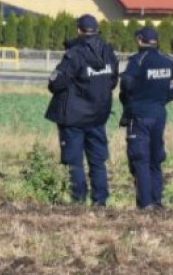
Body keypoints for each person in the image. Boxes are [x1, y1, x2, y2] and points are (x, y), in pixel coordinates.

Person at [45, 14, 119, 206]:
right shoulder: (108, 53)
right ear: (97, 30)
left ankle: (78, 200)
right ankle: (100, 201)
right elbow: (112, 81)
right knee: (97, 161)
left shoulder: (75, 54)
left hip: (73, 118)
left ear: (79, 30)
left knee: (74, 161)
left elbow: (56, 82)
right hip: (98, 116)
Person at [118, 26, 173, 210]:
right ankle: (156, 202)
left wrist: (130, 99)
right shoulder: (166, 60)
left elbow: (127, 82)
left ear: (139, 40)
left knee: (140, 159)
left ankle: (145, 204)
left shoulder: (138, 60)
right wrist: (167, 96)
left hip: (140, 116)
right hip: (159, 114)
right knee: (155, 159)